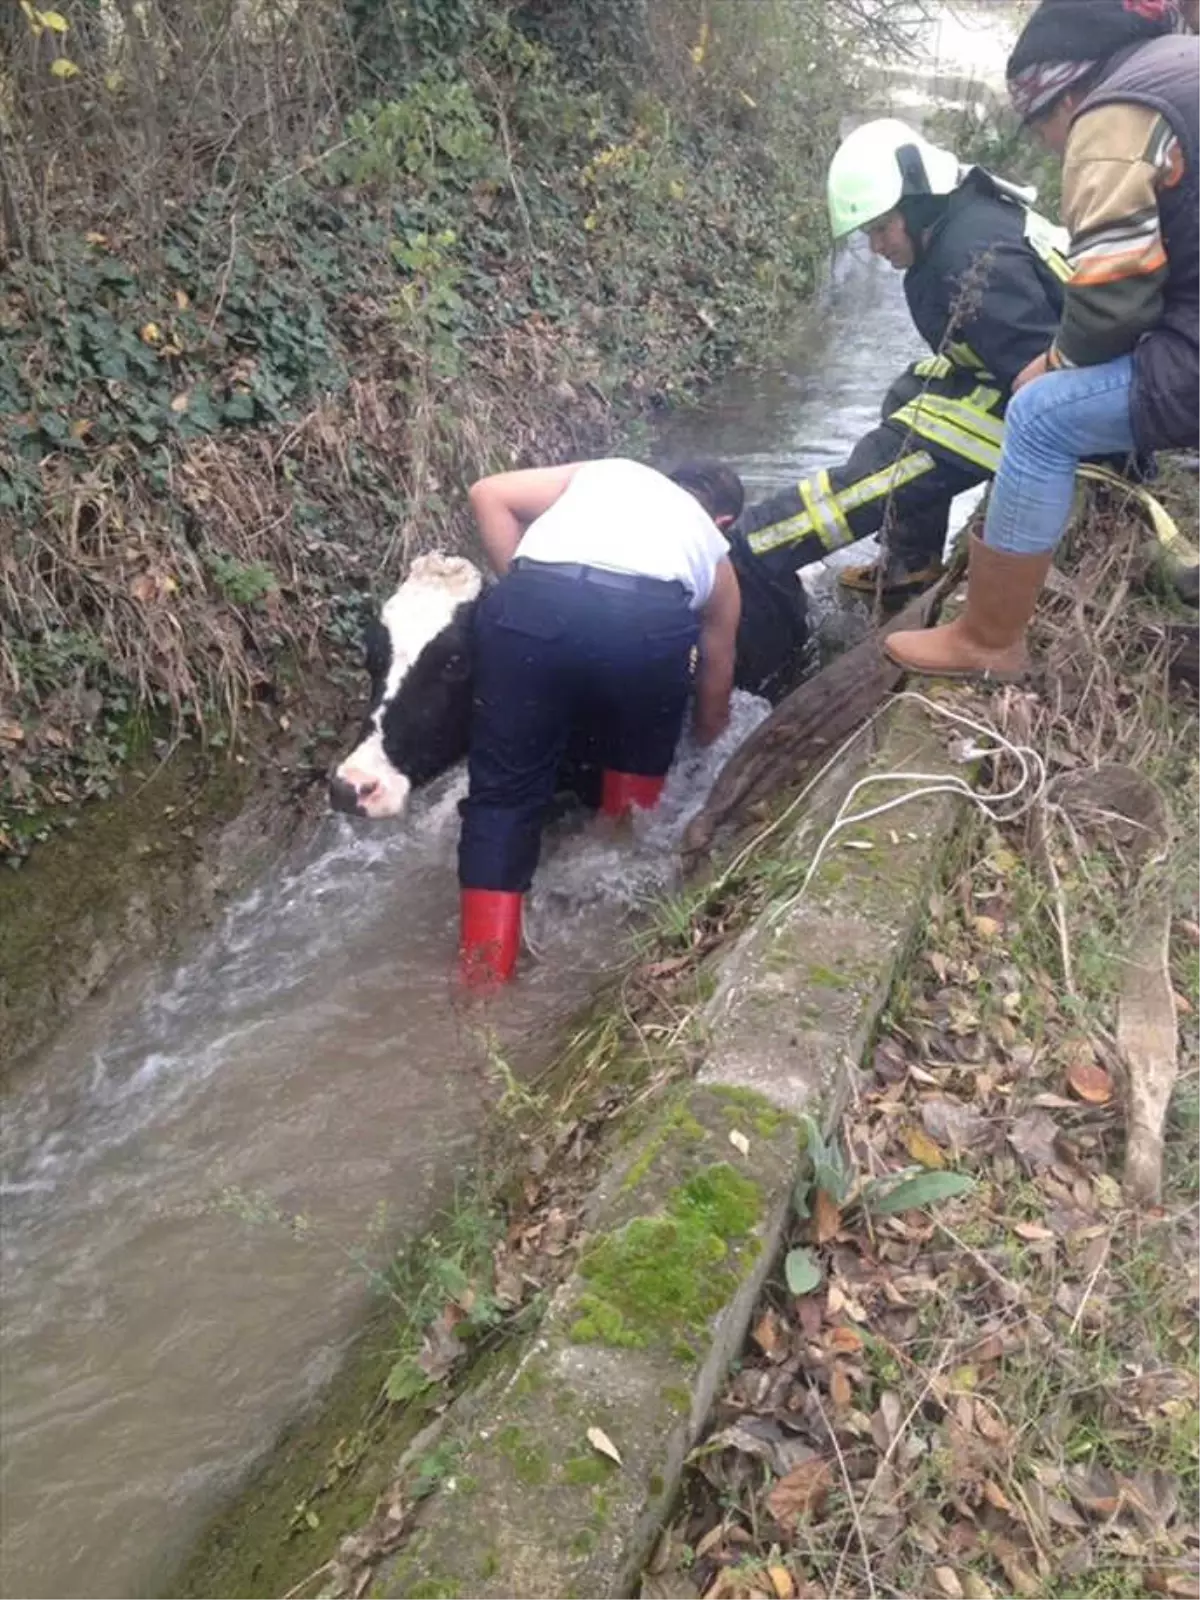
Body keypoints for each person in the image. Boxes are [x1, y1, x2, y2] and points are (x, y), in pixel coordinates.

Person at [886, 0, 1199, 679]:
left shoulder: (1115, 116)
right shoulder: (1181, 65)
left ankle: (988, 643)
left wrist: (1057, 362)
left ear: (1063, 96)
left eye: (1039, 130)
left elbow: (1117, 297)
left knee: (1038, 418)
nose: (1049, 148)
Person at [737, 116, 1074, 599]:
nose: (875, 248)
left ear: (915, 207)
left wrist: (742, 546)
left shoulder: (968, 258)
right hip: (1038, 374)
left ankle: (754, 548)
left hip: (1071, 413)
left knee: (897, 457)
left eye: (880, 229)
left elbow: (1052, 385)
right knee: (912, 388)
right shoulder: (964, 219)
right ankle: (909, 563)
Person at [458, 456, 743, 986]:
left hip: (533, 602)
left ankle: (482, 978)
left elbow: (487, 492)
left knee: (501, 800)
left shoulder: (610, 471)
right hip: (645, 624)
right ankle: (608, 903)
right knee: (634, 783)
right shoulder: (715, 551)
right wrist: (703, 746)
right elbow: (715, 677)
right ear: (725, 522)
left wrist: (527, 600)